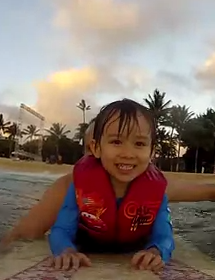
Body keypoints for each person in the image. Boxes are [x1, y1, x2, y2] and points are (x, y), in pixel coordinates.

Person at [0, 117, 215, 250]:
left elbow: (212, 190)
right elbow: (23, 234)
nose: (124, 154)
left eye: (136, 144)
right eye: (114, 143)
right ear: (92, 151)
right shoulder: (68, 187)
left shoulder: (153, 186)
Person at [48, 99, 174, 272]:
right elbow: (61, 229)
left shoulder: (157, 193)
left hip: (133, 245)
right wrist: (66, 250)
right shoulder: (81, 186)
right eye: (116, 142)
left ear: (152, 152)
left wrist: (156, 251)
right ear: (96, 147)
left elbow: (164, 236)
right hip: (90, 243)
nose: (128, 154)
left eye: (139, 144)